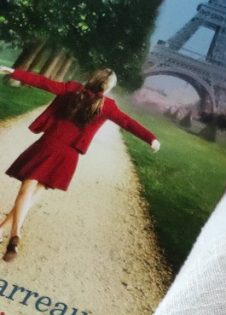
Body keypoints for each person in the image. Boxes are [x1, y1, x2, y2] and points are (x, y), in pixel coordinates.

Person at [0, 65, 160, 262]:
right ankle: (2, 230)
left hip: (49, 144)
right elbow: (128, 123)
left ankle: (15, 235)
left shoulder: (71, 89)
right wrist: (151, 138)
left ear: (91, 78)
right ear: (108, 87)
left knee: (26, 191)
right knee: (33, 195)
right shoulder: (108, 106)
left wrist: (14, 72)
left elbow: (43, 83)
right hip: (69, 155)